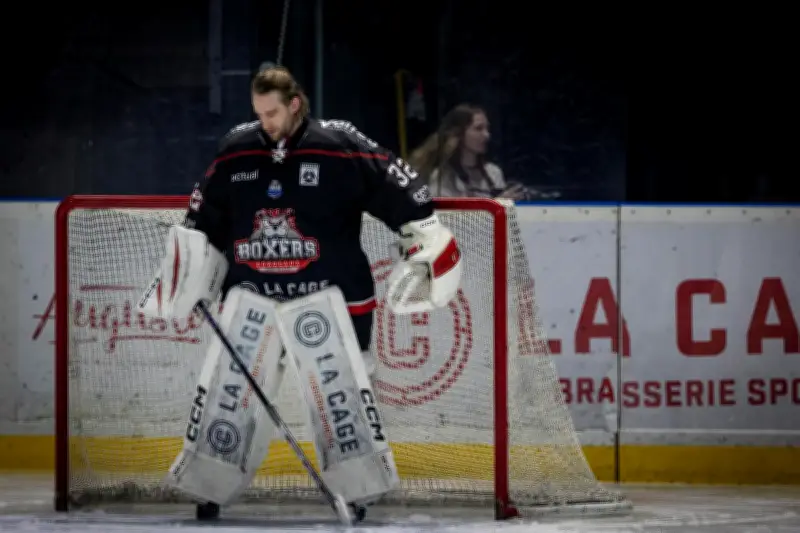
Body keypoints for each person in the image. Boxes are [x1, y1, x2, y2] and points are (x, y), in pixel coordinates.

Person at [172, 66, 463, 520]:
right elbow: (202, 218)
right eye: (258, 113)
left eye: (272, 112)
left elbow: (404, 188)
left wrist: (421, 232)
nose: (265, 122)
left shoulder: (339, 145)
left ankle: (358, 490)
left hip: (333, 299)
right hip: (253, 298)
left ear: (294, 104)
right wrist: (190, 262)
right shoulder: (236, 151)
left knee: (340, 402)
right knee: (231, 396)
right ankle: (209, 486)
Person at [408, 103, 527, 200]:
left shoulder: (493, 173)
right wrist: (496, 205)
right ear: (459, 133)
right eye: (478, 129)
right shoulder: (442, 177)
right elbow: (449, 221)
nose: (487, 135)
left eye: (487, 129)